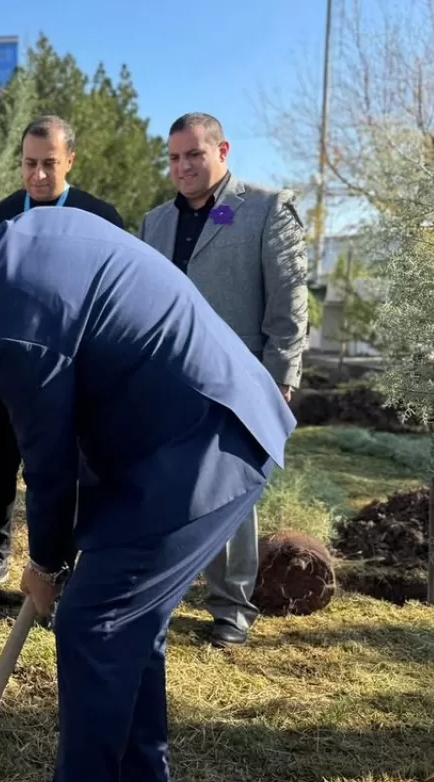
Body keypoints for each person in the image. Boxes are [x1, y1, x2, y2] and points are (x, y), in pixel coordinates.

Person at [0, 197, 295, 782]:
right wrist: (63, 553)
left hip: (202, 445)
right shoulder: (27, 236)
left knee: (93, 626)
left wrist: (45, 563)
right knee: (128, 623)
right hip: (173, 435)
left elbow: (48, 459)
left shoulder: (9, 319)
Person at [139, 112, 308, 648]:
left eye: (194, 154)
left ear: (223, 151)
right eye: (174, 157)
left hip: (241, 381)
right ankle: (161, 594)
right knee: (167, 489)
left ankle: (231, 606)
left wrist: (280, 379)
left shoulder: (264, 208)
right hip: (168, 380)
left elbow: (289, 305)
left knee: (229, 494)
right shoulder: (155, 224)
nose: (183, 166)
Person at [0, 115, 124, 601]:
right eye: (30, 164)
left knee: (63, 467)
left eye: (50, 164)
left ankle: (64, 564)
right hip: (7, 367)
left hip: (74, 370)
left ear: (70, 159)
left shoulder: (99, 216)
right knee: (0, 462)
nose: (39, 175)